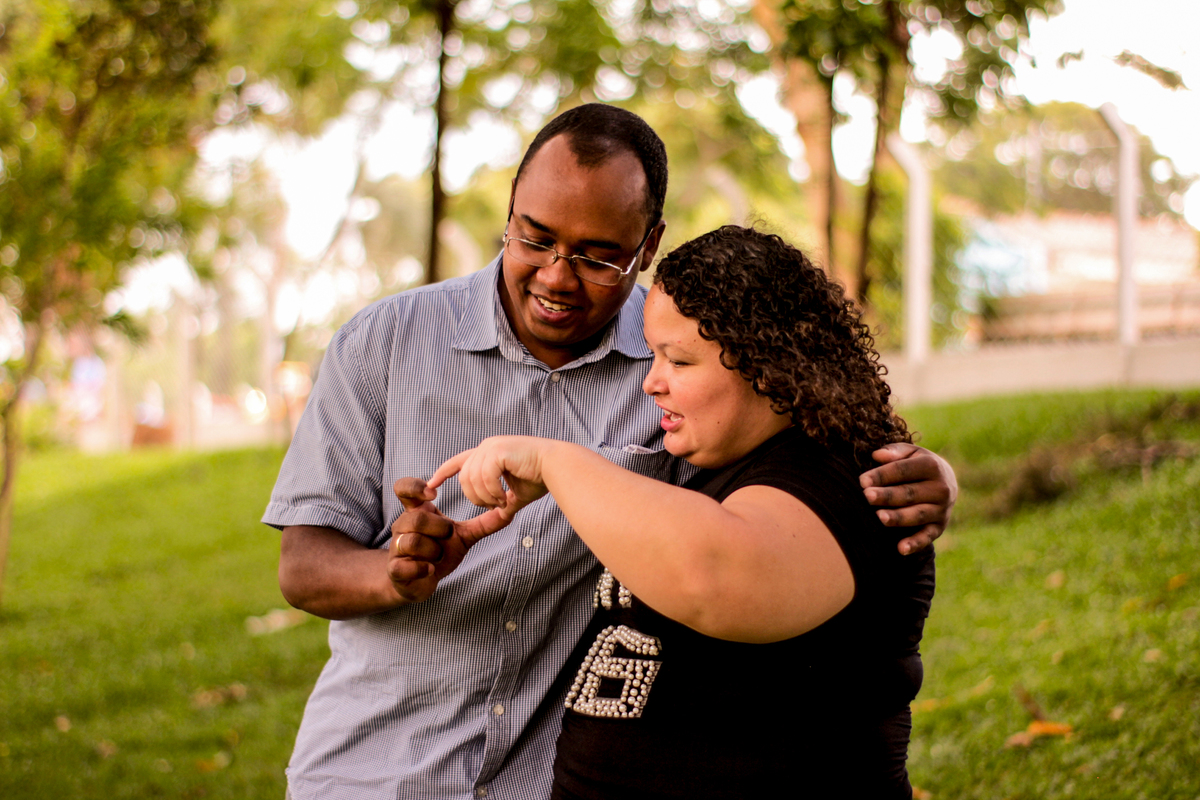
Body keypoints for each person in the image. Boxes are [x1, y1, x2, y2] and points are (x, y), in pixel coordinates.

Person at [264, 104, 956, 800]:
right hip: (373, 774)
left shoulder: (686, 356)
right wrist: (395, 574)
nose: (557, 277)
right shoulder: (382, 342)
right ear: (511, 211)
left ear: (647, 245)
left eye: (597, 256)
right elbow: (303, 565)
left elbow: (787, 473)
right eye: (535, 239)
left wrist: (926, 473)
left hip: (536, 784)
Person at [424, 225, 935, 798]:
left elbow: (719, 579)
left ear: (769, 365)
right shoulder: (712, 466)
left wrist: (555, 462)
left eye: (680, 361)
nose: (652, 382)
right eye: (653, 355)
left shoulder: (852, 479)